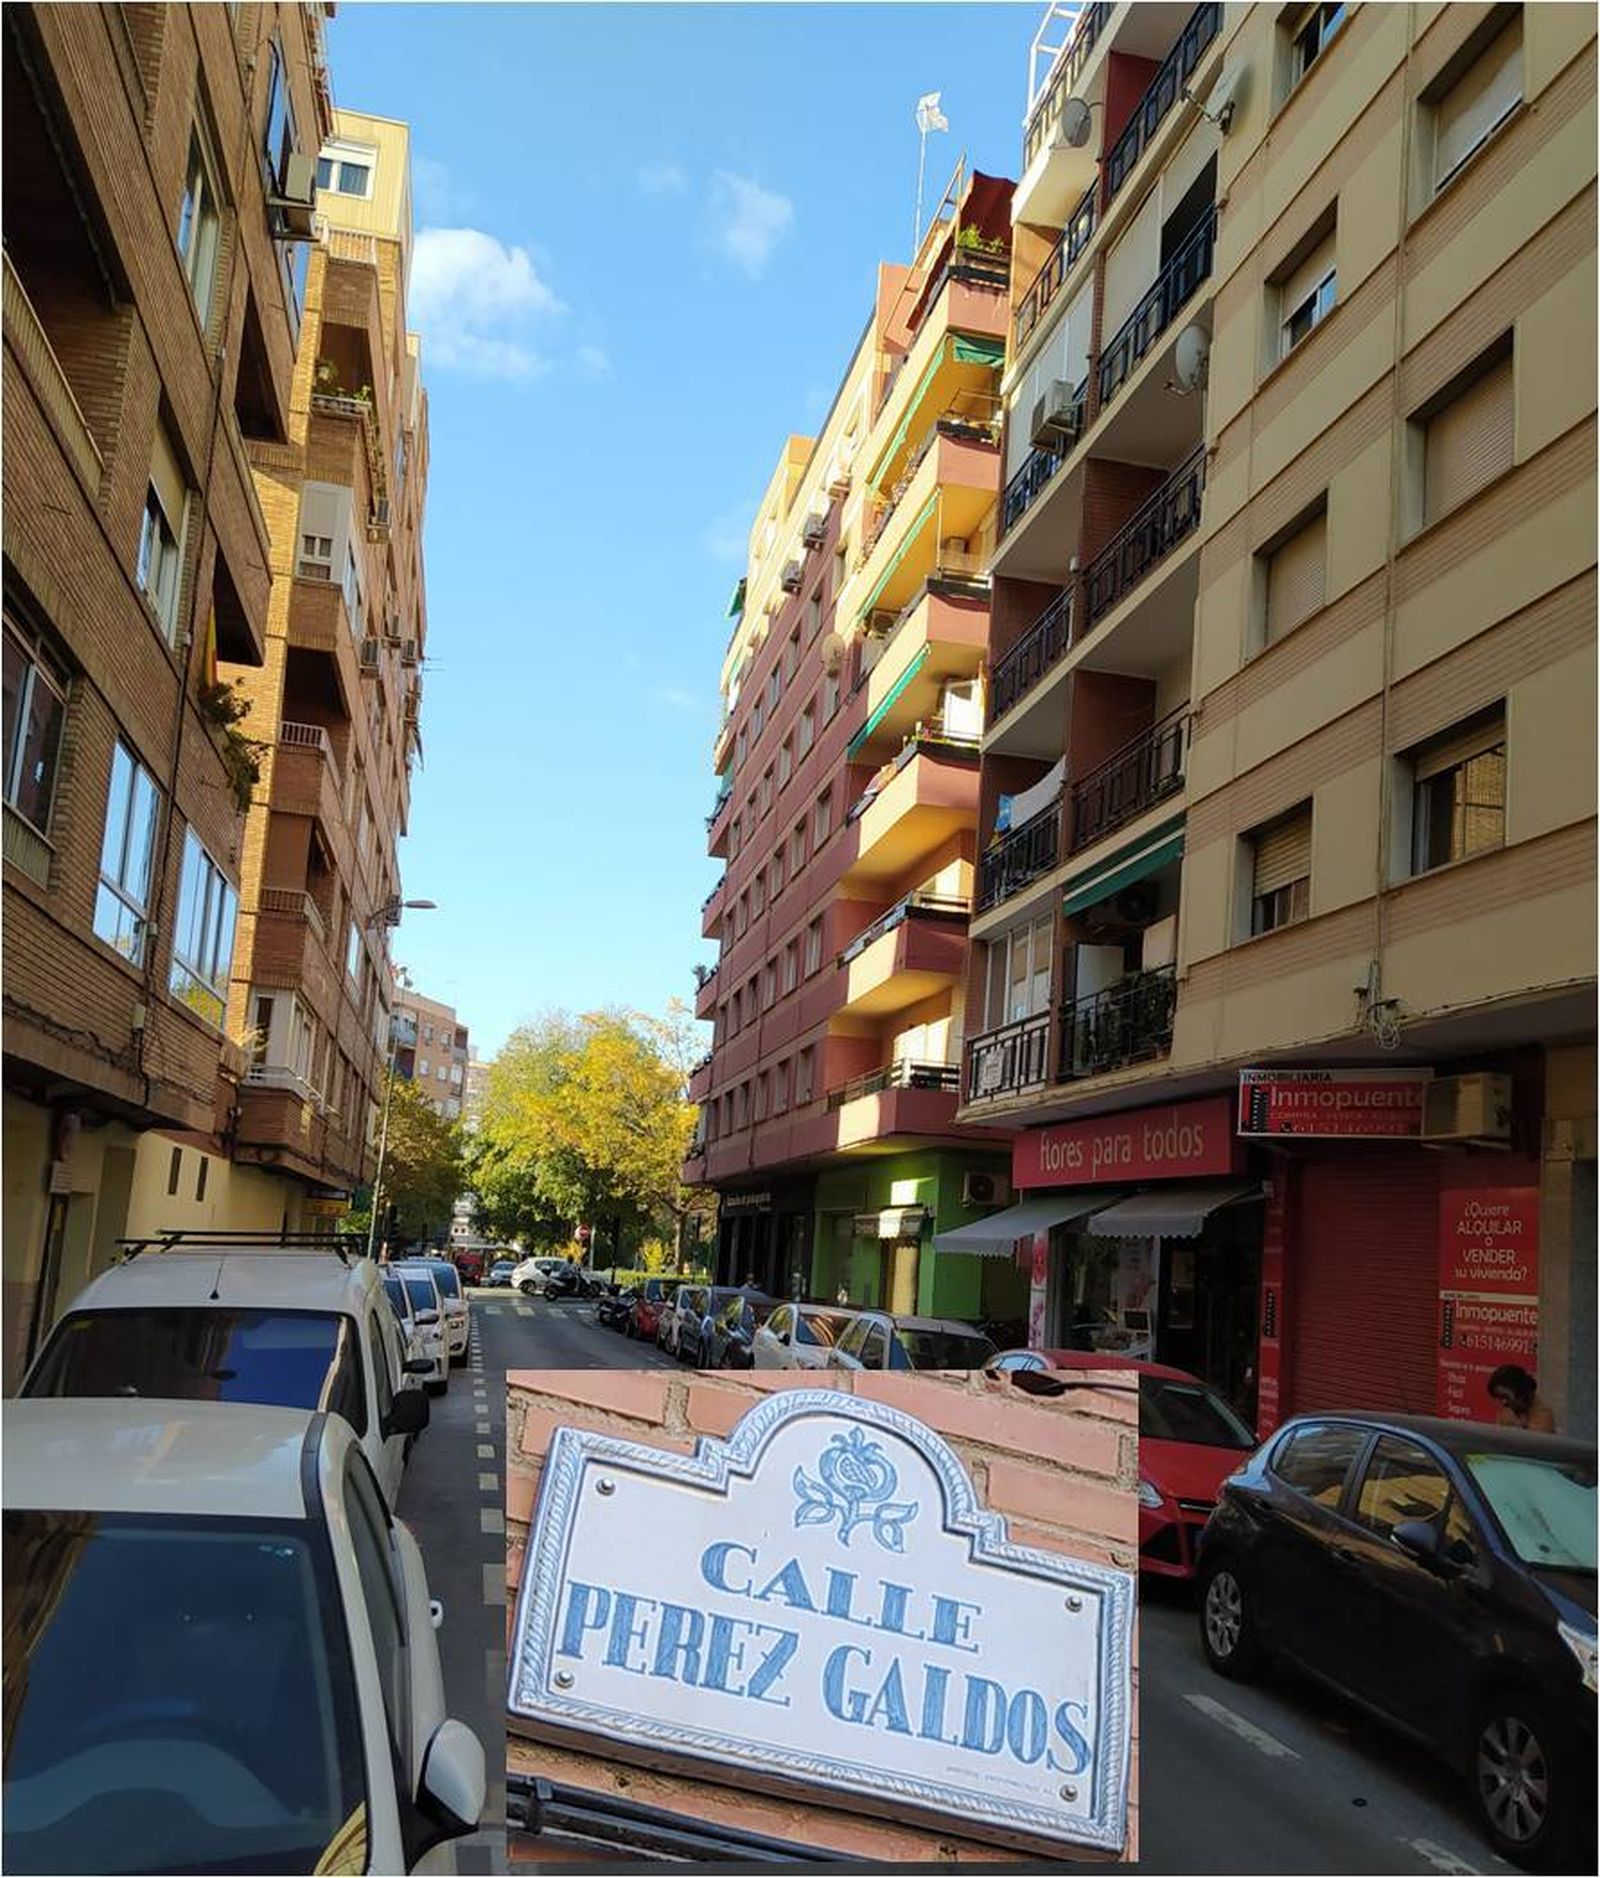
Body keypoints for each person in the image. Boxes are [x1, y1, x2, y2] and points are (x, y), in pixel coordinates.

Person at [1487, 1363, 1557, 1432]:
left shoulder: (1544, 1417)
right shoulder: (1508, 1412)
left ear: (1521, 1393)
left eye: (1506, 1397)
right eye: (1500, 1398)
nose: (1503, 1402)